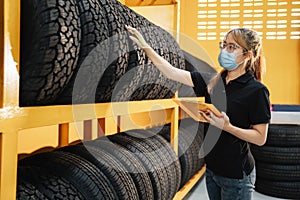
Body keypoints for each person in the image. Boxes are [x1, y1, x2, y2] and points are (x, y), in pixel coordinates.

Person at [125, 25, 271, 200]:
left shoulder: (257, 91)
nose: (225, 50)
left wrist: (227, 127)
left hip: (236, 175)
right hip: (212, 169)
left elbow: (260, 137)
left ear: (248, 55)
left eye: (232, 47)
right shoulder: (213, 81)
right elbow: (171, 72)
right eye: (223, 45)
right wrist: (145, 46)